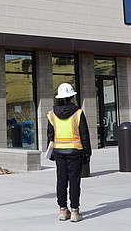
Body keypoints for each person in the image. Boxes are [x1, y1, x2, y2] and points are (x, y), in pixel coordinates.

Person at [47, 83, 91, 223]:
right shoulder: (78, 113)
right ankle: (75, 211)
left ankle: (62, 210)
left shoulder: (52, 114)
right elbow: (84, 135)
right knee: (74, 181)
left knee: (61, 180)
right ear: (71, 97)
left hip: (59, 151)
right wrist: (87, 153)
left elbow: (50, 135)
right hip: (75, 151)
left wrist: (52, 151)